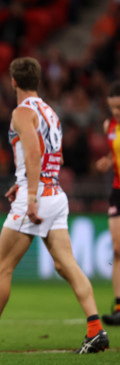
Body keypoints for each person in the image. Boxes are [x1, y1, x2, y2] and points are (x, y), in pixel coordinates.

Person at [0, 57, 109, 354]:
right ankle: (95, 328)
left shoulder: (22, 112)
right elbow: (52, 158)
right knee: (66, 264)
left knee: (2, 265)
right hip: (56, 193)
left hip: (36, 198)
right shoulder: (50, 112)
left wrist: (30, 194)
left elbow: (33, 154)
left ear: (13, 81)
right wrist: (24, 183)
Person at [95, 80, 120, 326]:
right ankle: (119, 304)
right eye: (113, 108)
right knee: (117, 249)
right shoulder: (109, 125)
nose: (116, 113)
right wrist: (108, 161)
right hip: (117, 190)